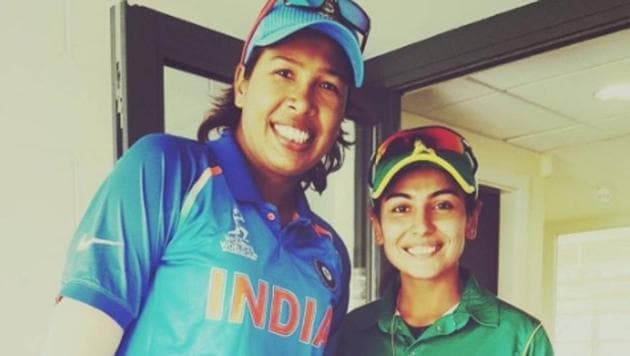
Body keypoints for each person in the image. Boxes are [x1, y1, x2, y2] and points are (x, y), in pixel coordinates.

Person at [43, 0, 370, 355]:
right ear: (242, 83)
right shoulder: (166, 170)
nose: (302, 101)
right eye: (285, 73)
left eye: (327, 86)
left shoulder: (331, 252)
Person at [336, 126, 554, 355]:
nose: (422, 226)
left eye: (443, 205)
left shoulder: (521, 338)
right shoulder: (349, 334)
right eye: (401, 208)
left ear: (471, 220)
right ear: (377, 226)